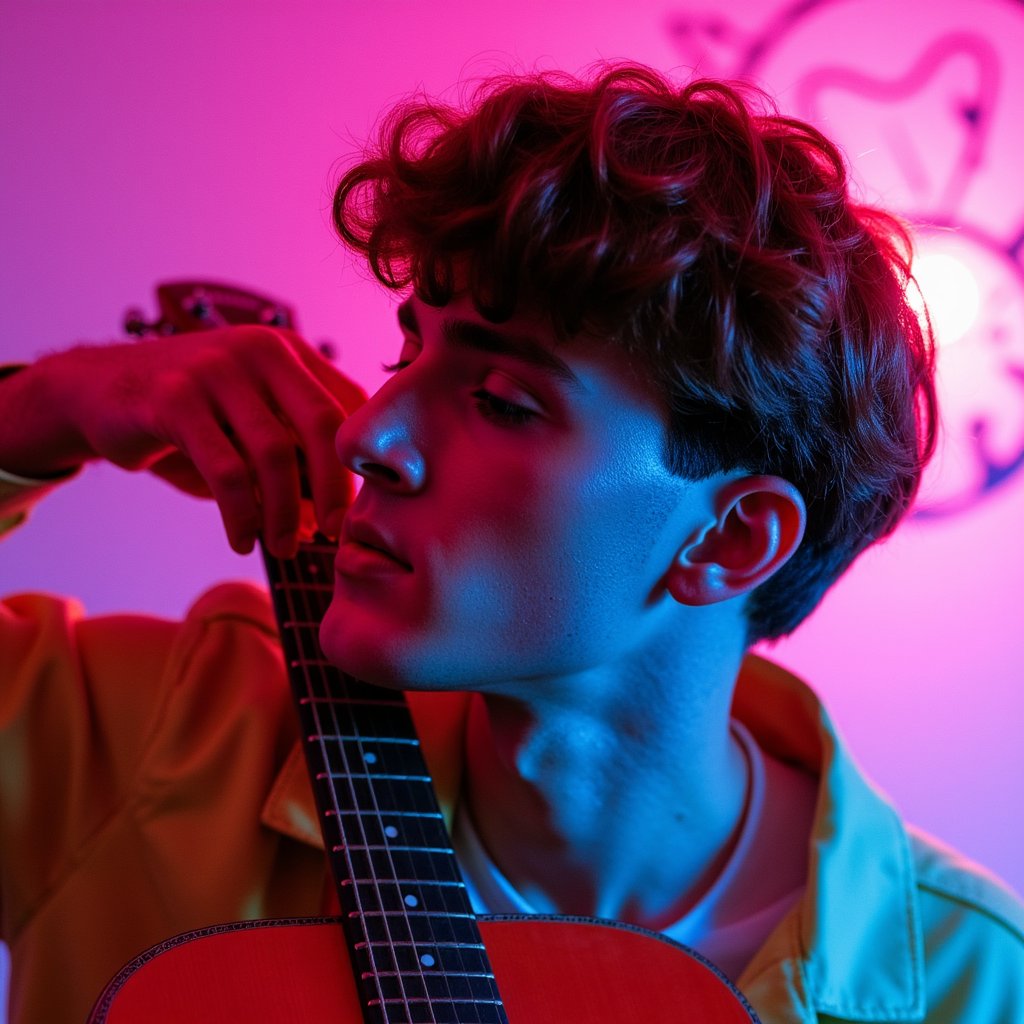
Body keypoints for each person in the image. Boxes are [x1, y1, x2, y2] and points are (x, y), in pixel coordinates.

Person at [1, 65, 1021, 1024]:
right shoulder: (173, 736)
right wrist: (41, 410)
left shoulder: (973, 981)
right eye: (408, 347)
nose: (368, 434)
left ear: (733, 535)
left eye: (499, 399)